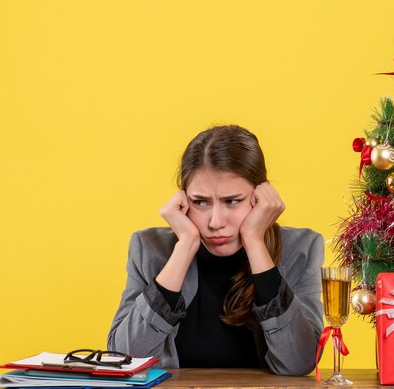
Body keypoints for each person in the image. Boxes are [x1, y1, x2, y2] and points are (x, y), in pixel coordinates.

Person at [108, 125, 324, 376]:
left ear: (261, 197)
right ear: (183, 199)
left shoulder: (301, 249)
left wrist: (254, 241)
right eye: (200, 202)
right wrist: (185, 246)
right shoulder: (148, 248)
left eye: (232, 201)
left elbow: (299, 362)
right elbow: (125, 358)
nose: (215, 221)